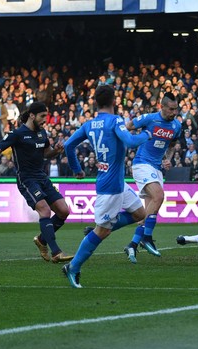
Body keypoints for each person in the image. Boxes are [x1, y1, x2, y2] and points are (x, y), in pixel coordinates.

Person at [62, 85, 152, 288]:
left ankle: (102, 227)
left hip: (117, 183)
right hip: (110, 187)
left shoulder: (89, 125)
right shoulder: (115, 121)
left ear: (96, 102)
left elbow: (68, 146)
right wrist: (147, 135)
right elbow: (129, 141)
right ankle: (73, 267)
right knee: (102, 232)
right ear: (114, 101)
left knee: (140, 214)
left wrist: (77, 169)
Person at [0, 102, 73, 263]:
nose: (44, 120)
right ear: (32, 115)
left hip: (42, 177)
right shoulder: (17, 134)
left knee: (63, 211)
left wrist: (56, 151)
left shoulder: (42, 134)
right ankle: (55, 252)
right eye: (42, 116)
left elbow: (47, 153)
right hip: (26, 179)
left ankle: (41, 240)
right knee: (45, 211)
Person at [123, 92, 181, 262]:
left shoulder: (176, 126)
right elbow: (128, 127)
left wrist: (167, 160)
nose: (174, 112)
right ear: (161, 107)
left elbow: (171, 145)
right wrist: (129, 143)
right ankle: (146, 237)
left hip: (156, 168)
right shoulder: (149, 118)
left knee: (151, 209)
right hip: (141, 163)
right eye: (171, 109)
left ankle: (132, 244)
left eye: (176, 109)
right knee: (159, 196)